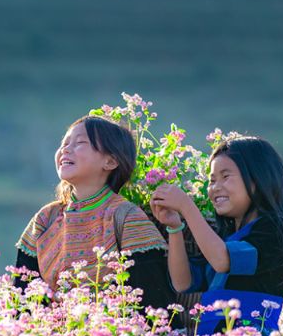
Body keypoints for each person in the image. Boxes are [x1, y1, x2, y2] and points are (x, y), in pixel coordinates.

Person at [150, 137, 283, 336]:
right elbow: (183, 282)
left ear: (257, 179)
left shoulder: (277, 230)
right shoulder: (227, 239)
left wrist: (187, 206)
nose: (215, 187)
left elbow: (223, 260)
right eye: (212, 180)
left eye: (225, 177)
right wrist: (175, 228)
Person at [13, 115, 176, 315]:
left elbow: (153, 301)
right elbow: (22, 299)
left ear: (110, 161)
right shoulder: (45, 219)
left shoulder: (127, 218)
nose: (65, 149)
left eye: (80, 142)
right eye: (64, 143)